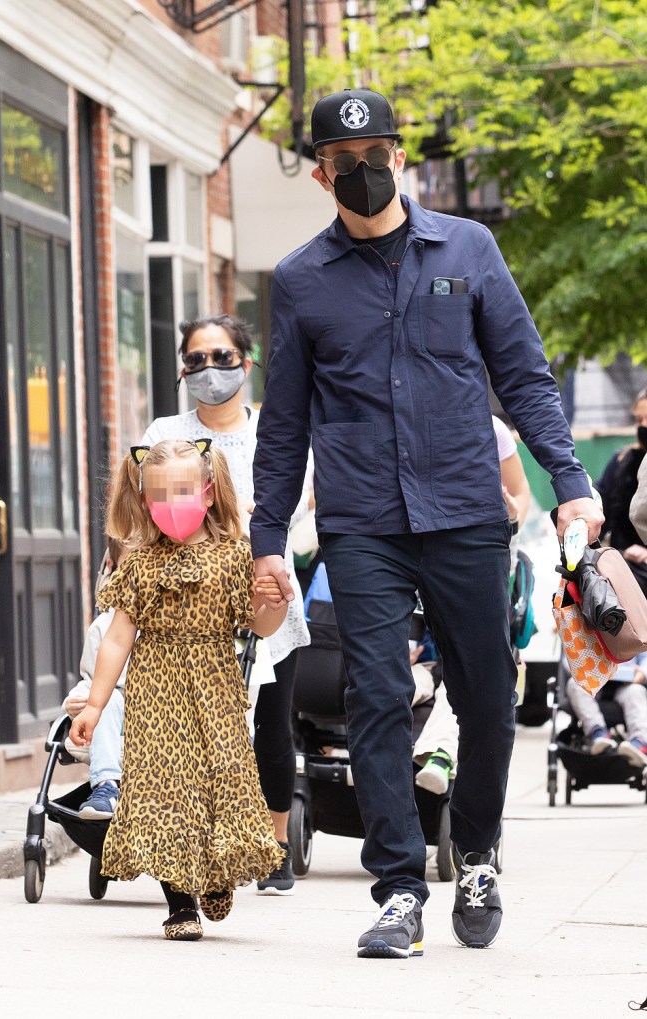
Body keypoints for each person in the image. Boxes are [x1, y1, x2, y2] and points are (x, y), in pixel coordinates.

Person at [249, 87, 603, 958]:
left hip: (465, 510)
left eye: (376, 161)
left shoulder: (470, 249)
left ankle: (474, 853)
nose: (362, 176)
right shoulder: (300, 280)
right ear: (322, 173)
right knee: (375, 691)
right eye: (344, 165)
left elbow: (523, 376)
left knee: (487, 691)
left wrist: (570, 479)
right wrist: (266, 542)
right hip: (362, 516)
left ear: (399, 160)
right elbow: (285, 422)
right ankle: (400, 886)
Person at [69, 439, 287, 941]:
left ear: (208, 494)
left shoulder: (236, 555)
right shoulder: (141, 562)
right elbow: (118, 636)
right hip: (155, 691)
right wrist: (96, 705)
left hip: (215, 687)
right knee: (165, 793)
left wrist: (272, 600)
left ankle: (215, 873)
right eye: (159, 497)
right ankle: (179, 904)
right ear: (144, 500)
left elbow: (262, 625)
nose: (171, 506)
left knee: (222, 783)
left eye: (183, 493)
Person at [142, 315, 310, 895]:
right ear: (182, 367)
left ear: (248, 359)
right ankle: (200, 846)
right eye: (196, 359)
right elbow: (145, 508)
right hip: (188, 600)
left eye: (222, 356)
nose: (209, 369)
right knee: (196, 727)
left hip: (264, 591)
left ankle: (275, 845)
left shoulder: (279, 431)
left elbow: (301, 509)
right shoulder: (166, 430)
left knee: (271, 726)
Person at [414, 416, 531, 794]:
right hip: (420, 658)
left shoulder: (488, 429)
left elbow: (518, 499)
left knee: (462, 688)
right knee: (393, 685)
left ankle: (439, 755)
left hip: (458, 657)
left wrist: (510, 516)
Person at [63, 537, 128, 819]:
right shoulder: (104, 626)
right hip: (117, 714)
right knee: (106, 699)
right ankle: (106, 785)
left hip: (166, 713)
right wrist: (76, 701)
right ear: (114, 571)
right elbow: (90, 679)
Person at [595, 388, 647, 596]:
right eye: (638, 419)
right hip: (624, 566)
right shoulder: (622, 461)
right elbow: (601, 508)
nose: (643, 425)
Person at [565, 653, 647, 766]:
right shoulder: (582, 634)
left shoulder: (639, 635)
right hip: (592, 681)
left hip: (627, 683)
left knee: (636, 691)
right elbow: (568, 659)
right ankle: (598, 734)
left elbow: (645, 657)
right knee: (575, 684)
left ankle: (639, 743)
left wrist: (642, 673)